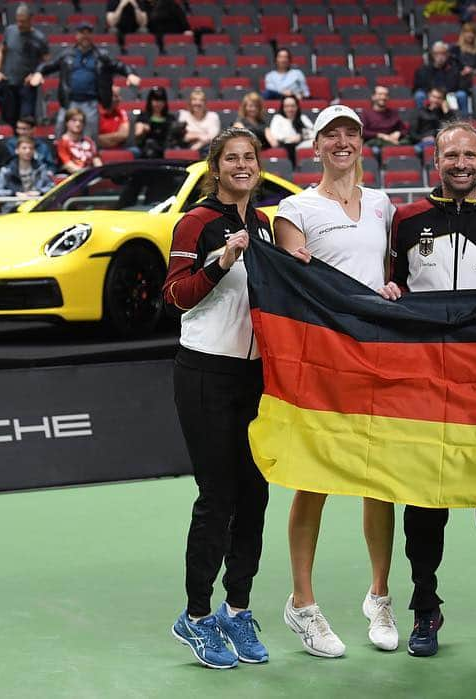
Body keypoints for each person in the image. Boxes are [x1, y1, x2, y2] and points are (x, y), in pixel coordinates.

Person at [383, 121, 476, 659]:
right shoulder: (407, 219)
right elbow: (390, 285)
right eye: (451, 155)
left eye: (469, 154)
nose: (460, 163)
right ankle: (425, 609)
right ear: (435, 160)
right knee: (425, 507)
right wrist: (392, 288)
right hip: (424, 386)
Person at [273, 105, 398, 658]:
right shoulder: (293, 209)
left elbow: (389, 273)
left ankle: (380, 594)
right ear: (316, 146)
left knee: (382, 480)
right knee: (314, 480)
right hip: (322, 365)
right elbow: (291, 288)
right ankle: (303, 602)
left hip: (378, 359)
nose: (342, 143)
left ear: (362, 144)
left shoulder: (382, 205)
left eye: (351, 134)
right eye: (332, 135)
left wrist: (391, 290)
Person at [163, 126, 274, 670]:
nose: (242, 165)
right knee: (218, 496)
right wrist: (220, 261)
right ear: (215, 166)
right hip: (204, 373)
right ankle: (197, 615)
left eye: (249, 157)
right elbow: (176, 296)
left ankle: (238, 608)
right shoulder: (197, 222)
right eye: (231, 158)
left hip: (256, 379)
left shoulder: (264, 223)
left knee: (255, 495)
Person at [28, 22, 142, 141]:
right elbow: (49, 66)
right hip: (69, 102)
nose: (85, 36)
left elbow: (119, 65)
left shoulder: (101, 56)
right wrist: (39, 72)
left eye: (88, 33)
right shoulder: (67, 55)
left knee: (90, 138)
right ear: (77, 35)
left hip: (90, 103)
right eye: (82, 33)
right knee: (60, 133)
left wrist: (130, 74)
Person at [0, 3, 49, 125]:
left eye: (23, 21)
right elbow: (0, 51)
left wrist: (36, 75)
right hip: (9, 82)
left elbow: (46, 61)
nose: (20, 24)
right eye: (18, 21)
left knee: (26, 121)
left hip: (27, 85)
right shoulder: (9, 31)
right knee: (9, 119)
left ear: (30, 20)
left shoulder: (39, 38)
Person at [0, 136, 54, 201]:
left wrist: (39, 192)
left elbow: (51, 186)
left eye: (31, 148)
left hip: (35, 203)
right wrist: (14, 194)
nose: (28, 151)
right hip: (14, 204)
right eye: (24, 148)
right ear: (17, 150)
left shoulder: (41, 168)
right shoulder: (7, 170)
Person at [414, 42, 467, 117]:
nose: (440, 56)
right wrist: (432, 94)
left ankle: (465, 121)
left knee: (461, 94)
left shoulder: (454, 69)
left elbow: (457, 85)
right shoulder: (424, 69)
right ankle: (422, 117)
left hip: (449, 94)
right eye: (437, 53)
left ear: (447, 54)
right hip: (431, 95)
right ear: (432, 54)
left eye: (443, 53)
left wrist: (443, 95)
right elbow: (420, 85)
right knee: (419, 95)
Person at [449, 22, 476, 110]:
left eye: (472, 32)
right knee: (460, 95)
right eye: (467, 32)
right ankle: (464, 121)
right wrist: (462, 71)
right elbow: (452, 67)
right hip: (460, 83)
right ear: (462, 34)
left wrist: (474, 71)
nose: (470, 35)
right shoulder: (455, 50)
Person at [133, 86, 180, 159]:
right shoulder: (143, 116)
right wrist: (143, 129)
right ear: (150, 101)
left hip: (165, 147)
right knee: (150, 144)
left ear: (165, 102)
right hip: (146, 148)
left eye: (161, 100)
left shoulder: (170, 118)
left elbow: (174, 137)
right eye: (155, 100)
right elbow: (137, 134)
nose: (158, 103)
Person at [361, 85, 410, 152]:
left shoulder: (393, 112)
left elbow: (404, 129)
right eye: (380, 94)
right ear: (373, 97)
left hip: (392, 140)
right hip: (376, 142)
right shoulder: (366, 113)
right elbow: (362, 132)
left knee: (409, 144)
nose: (383, 97)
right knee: (376, 150)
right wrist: (380, 135)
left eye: (386, 95)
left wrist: (398, 133)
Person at [268, 95, 313, 165]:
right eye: (287, 106)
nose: (290, 109)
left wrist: (300, 137)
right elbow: (274, 134)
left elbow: (313, 132)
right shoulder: (278, 118)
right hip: (285, 145)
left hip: (301, 144)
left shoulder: (302, 117)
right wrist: (288, 138)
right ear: (283, 108)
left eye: (292, 106)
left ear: (297, 107)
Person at [411, 87, 457, 154]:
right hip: (423, 143)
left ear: (443, 100)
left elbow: (454, 129)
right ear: (429, 96)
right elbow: (412, 133)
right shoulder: (420, 112)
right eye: (434, 97)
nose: (435, 100)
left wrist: (446, 112)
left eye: (439, 98)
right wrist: (422, 138)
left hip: (442, 144)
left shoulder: (446, 114)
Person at [177, 88, 221, 157]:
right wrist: (201, 135)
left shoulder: (213, 116)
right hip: (185, 148)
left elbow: (213, 137)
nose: (198, 103)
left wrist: (198, 145)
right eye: (194, 100)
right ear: (190, 102)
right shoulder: (184, 115)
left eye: (201, 100)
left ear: (205, 103)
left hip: (207, 150)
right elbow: (182, 137)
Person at [57, 107, 102, 173]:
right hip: (72, 177)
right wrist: (86, 173)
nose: (78, 124)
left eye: (81, 121)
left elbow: (96, 159)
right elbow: (68, 165)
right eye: (74, 120)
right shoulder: (62, 142)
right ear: (66, 122)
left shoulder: (88, 141)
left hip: (90, 175)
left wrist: (100, 171)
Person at [97, 85, 131, 150]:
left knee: (135, 151)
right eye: (116, 96)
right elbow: (92, 140)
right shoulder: (95, 113)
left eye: (119, 96)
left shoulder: (122, 112)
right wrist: (116, 138)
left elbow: (124, 135)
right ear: (106, 97)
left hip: (119, 147)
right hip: (99, 149)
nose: (120, 99)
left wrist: (100, 139)